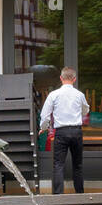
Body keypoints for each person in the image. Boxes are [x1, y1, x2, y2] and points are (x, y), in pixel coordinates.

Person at [39, 67, 90, 195]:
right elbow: (86, 111)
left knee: (58, 165)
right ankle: (81, 197)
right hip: (76, 131)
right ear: (74, 79)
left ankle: (57, 200)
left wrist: (44, 128)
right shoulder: (79, 95)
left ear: (61, 78)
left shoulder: (53, 95)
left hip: (61, 133)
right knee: (78, 165)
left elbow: (45, 115)